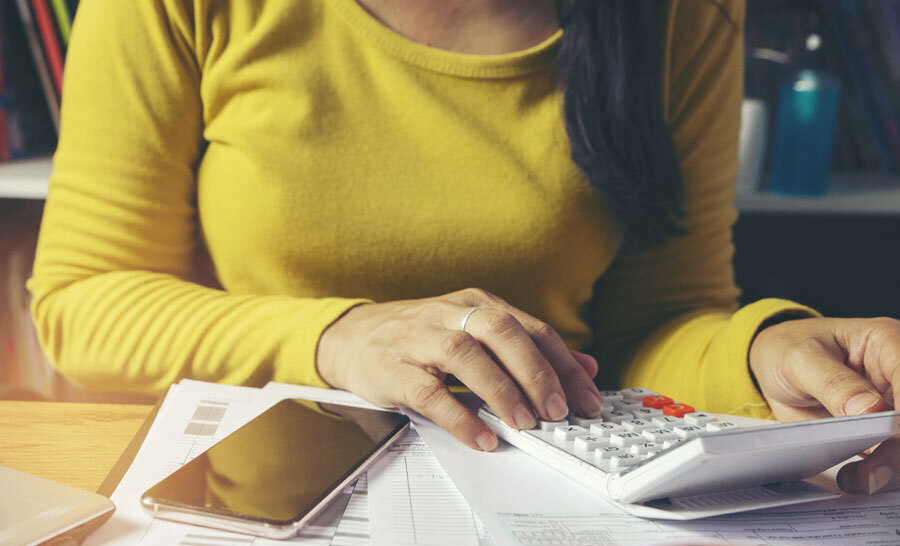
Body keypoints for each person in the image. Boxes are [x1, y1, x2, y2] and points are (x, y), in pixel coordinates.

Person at [30, 0, 899, 495]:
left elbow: (657, 320)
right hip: (264, 485)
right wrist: (339, 337)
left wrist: (763, 351)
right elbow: (83, 299)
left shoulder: (682, 16)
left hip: (557, 485)